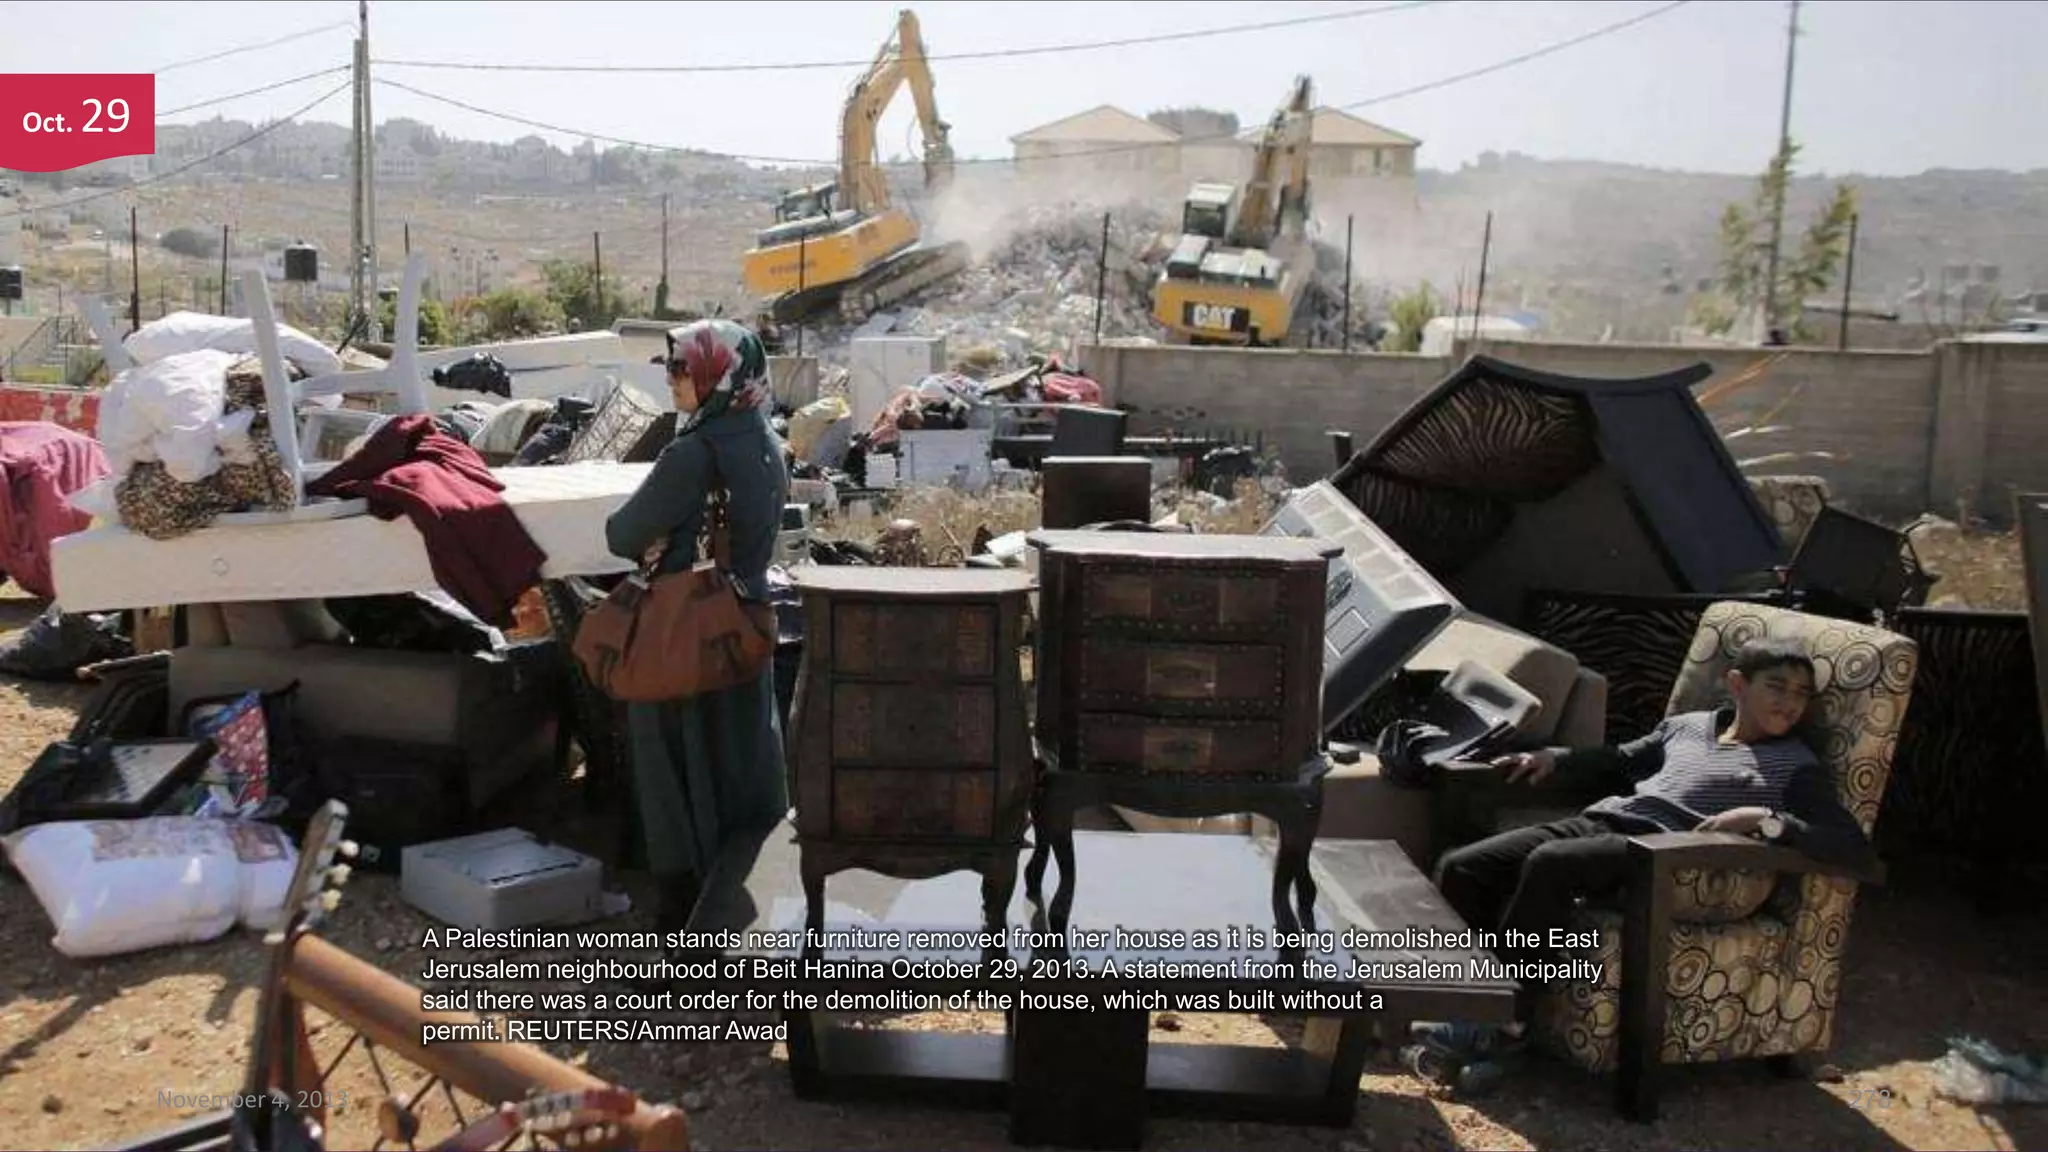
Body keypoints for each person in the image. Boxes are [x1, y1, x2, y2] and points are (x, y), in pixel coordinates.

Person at [1407, 636, 1874, 1090]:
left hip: (1663, 852)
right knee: (1463, 866)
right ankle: (1459, 1002)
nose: (1790, 702)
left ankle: (1504, 1026)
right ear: (1737, 684)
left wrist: (1769, 820)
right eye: (1777, 686)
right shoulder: (1689, 726)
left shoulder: (1796, 765)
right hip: (1603, 822)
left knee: (1551, 864)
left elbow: (1851, 845)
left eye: (1801, 694)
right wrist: (1555, 758)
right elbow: (1620, 758)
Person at [604, 318, 791, 934]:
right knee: (743, 771)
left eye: (683, 367)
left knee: (676, 783)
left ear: (720, 374)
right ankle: (741, 924)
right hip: (744, 627)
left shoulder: (691, 454)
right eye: (670, 367)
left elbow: (621, 534)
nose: (672, 380)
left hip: (681, 636)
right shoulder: (765, 439)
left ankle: (684, 932)